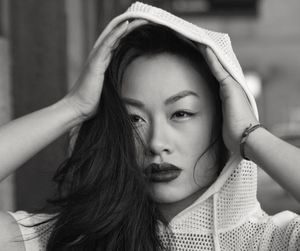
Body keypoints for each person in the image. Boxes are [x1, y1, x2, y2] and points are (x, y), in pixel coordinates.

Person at [1, 2, 300, 250]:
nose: (156, 142)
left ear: (223, 119)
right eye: (133, 119)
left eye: (181, 113)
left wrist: (249, 133)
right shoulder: (71, 239)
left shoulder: (273, 241)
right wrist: (73, 107)